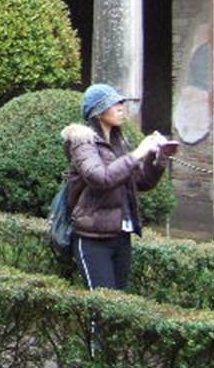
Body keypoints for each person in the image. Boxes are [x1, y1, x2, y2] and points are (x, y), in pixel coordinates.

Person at [61, 83, 170, 292]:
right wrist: (138, 153)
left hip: (121, 234)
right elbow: (100, 178)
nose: (121, 107)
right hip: (92, 238)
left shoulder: (120, 142)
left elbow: (142, 182)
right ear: (98, 111)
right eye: (114, 104)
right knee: (102, 307)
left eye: (121, 103)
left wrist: (158, 158)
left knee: (119, 306)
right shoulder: (83, 143)